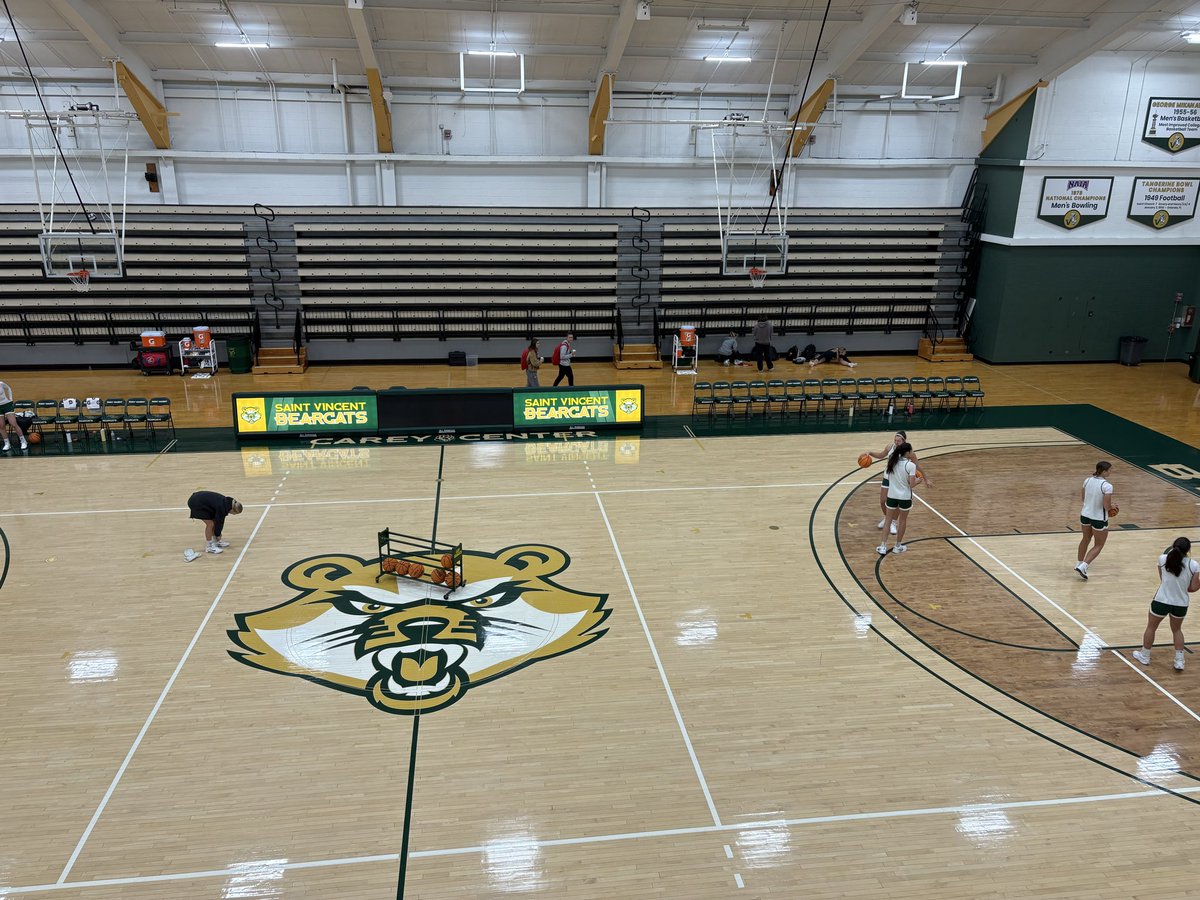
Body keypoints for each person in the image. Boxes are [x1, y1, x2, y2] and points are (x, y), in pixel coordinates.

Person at [1133, 537, 1200, 671]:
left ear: (1173, 546)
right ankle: (1179, 661)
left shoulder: (1162, 559)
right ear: (1188, 550)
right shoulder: (1194, 565)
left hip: (1161, 600)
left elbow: (1163, 579)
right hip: (1180, 603)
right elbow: (1192, 588)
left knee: (1151, 627)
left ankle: (1145, 655)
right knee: (1177, 630)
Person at [865, 431, 930, 535]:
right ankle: (887, 519)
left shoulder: (909, 453)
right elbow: (881, 455)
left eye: (898, 441)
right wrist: (870, 453)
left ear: (904, 441)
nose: (896, 442)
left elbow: (917, 466)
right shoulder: (890, 446)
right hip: (888, 477)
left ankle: (893, 522)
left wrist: (926, 478)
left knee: (898, 503)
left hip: (900, 480)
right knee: (882, 501)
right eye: (895, 440)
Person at [877, 441, 924, 555]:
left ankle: (883, 546)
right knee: (902, 521)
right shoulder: (911, 465)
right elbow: (911, 484)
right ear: (907, 453)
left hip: (892, 496)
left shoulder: (892, 462)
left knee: (888, 520)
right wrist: (918, 480)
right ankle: (897, 546)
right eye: (911, 451)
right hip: (905, 497)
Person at [1075, 461, 1114, 580]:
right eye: (1109, 470)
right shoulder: (1107, 486)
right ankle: (1084, 566)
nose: (1110, 472)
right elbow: (1107, 506)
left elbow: (1083, 498)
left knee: (1085, 539)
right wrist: (1113, 508)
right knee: (1099, 544)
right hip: (1098, 518)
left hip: (1085, 514)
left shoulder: (1087, 480)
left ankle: (1079, 563)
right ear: (1103, 471)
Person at [186, 491, 243, 559]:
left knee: (213, 521)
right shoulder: (223, 507)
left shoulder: (228, 503)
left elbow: (219, 521)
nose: (233, 515)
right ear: (232, 510)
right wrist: (218, 534)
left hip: (200, 500)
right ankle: (209, 547)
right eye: (235, 514)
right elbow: (220, 522)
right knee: (210, 524)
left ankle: (216, 541)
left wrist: (217, 534)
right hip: (196, 502)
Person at [0, 381, 27, 451]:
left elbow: (8, 388)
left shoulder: (1, 383)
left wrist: (10, 399)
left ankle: (23, 441)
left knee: (13, 423)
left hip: (7, 404)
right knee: (1, 425)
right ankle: (7, 443)